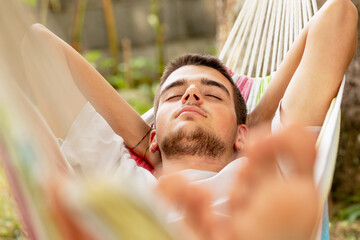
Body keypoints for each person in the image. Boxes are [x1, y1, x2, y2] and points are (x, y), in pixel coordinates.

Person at [20, 0, 357, 238]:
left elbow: (337, 16)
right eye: (174, 94)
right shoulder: (114, 170)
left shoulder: (268, 168)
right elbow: (38, 46)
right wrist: (145, 139)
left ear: (242, 134)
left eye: (211, 94)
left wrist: (257, 122)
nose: (191, 94)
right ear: (154, 133)